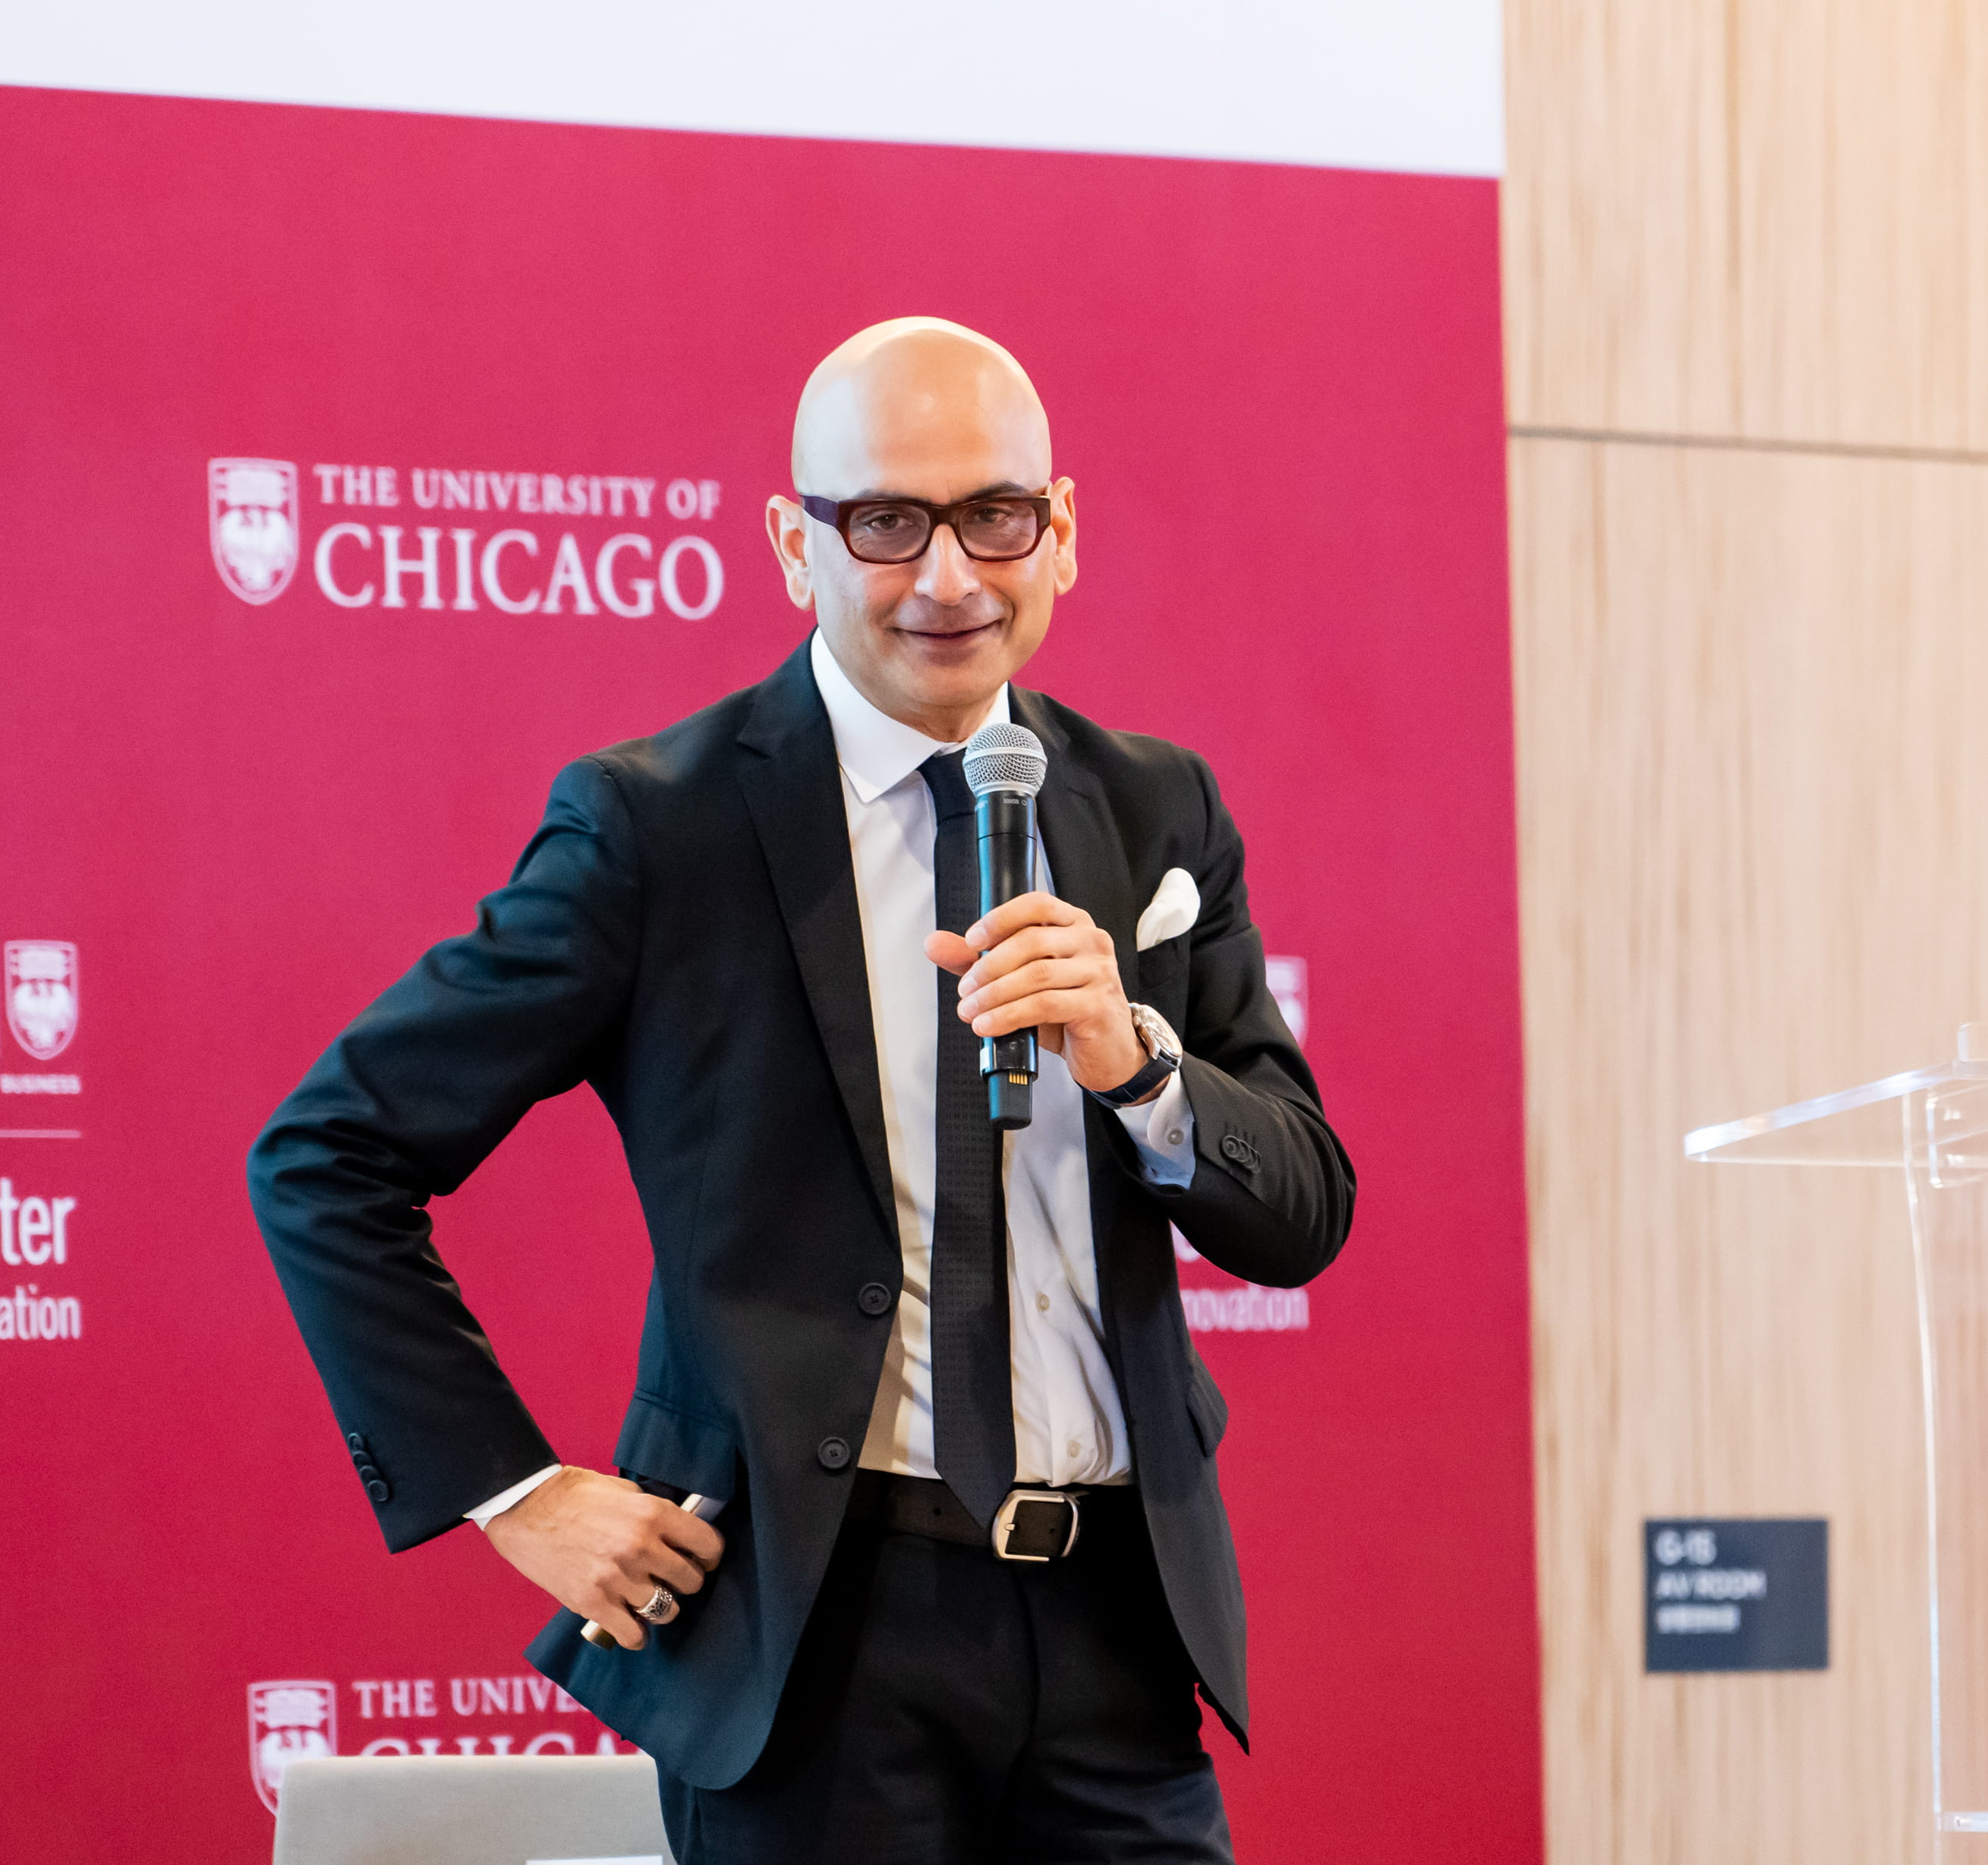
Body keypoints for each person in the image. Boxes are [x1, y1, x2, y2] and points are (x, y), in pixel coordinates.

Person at [247, 317, 1353, 1862]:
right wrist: (508, 1487)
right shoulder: (659, 826)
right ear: (793, 543)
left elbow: (1301, 1213)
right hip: (822, 1639)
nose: (950, 575)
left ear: (1064, 531)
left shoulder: (1155, 805)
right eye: (887, 522)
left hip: (1117, 1628)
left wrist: (1139, 1063)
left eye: (994, 515)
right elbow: (328, 1151)